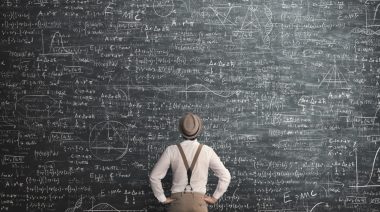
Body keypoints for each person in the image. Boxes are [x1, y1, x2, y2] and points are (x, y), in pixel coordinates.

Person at [149, 112, 231, 212]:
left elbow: (154, 177)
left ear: (181, 131)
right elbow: (225, 176)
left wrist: (162, 198)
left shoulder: (171, 150)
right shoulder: (207, 151)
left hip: (177, 202)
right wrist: (214, 197)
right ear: (198, 131)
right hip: (199, 202)